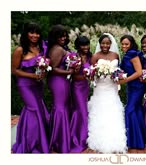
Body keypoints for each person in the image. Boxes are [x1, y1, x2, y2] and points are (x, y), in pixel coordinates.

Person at [11, 22, 49, 153]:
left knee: (39, 109)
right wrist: (32, 76)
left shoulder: (41, 48)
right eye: (31, 32)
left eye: (37, 33)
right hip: (25, 85)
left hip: (38, 85)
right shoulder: (20, 50)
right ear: (26, 33)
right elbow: (14, 70)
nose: (35, 35)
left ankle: (40, 141)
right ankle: (29, 144)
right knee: (33, 110)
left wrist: (44, 72)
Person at [87, 33, 127, 153]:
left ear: (111, 44)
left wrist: (118, 77)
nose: (105, 45)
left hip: (112, 87)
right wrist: (98, 73)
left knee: (113, 110)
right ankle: (98, 139)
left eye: (108, 43)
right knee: (100, 111)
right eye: (103, 43)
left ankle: (116, 140)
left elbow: (118, 71)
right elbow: (91, 74)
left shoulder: (115, 55)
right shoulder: (95, 56)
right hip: (100, 87)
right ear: (100, 44)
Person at [46, 24, 73, 153]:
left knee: (60, 107)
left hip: (61, 81)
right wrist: (69, 72)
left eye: (64, 35)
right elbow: (53, 69)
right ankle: (59, 142)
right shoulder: (58, 49)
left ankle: (60, 138)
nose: (63, 37)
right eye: (60, 35)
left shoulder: (58, 47)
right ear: (54, 37)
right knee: (60, 108)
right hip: (58, 81)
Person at [119, 34, 146, 149]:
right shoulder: (128, 54)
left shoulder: (132, 54)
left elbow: (139, 72)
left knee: (129, 110)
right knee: (137, 109)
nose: (124, 46)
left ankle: (134, 141)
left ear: (131, 44)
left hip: (137, 86)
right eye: (122, 44)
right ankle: (140, 138)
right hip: (132, 86)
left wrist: (125, 80)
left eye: (126, 44)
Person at [70, 36, 92, 152]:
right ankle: (79, 139)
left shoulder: (90, 56)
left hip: (85, 86)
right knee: (82, 111)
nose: (86, 47)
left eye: (87, 44)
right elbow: (72, 74)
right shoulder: (74, 57)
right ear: (78, 46)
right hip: (77, 86)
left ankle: (81, 134)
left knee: (82, 110)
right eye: (83, 45)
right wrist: (85, 75)